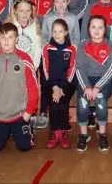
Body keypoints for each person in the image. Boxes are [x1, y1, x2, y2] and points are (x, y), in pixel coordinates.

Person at [0, 23, 38, 152]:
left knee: (24, 147)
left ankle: (28, 126)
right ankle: (3, 132)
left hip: (20, 114)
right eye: (3, 37)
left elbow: (33, 89)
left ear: (16, 40)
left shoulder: (25, 60)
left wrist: (28, 112)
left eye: (10, 37)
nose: (6, 40)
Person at [75, 16, 112, 152]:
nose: (97, 30)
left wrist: (98, 87)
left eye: (100, 27)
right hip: (86, 80)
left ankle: (102, 134)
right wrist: (86, 87)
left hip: (105, 81)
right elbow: (79, 68)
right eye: (93, 27)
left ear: (105, 29)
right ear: (88, 29)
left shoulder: (111, 46)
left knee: (100, 99)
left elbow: (111, 70)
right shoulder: (82, 45)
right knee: (82, 101)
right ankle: (83, 135)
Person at [41, 19, 77, 149]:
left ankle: (63, 132)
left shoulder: (72, 49)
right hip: (51, 84)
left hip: (67, 84)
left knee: (62, 103)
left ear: (66, 32)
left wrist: (61, 87)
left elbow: (72, 70)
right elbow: (45, 69)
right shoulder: (46, 48)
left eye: (60, 31)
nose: (57, 34)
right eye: (54, 31)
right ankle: (54, 132)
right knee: (53, 103)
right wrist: (54, 87)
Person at [5, 0, 42, 70]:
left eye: (28, 11)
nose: (25, 14)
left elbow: (37, 50)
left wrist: (34, 67)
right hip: (11, 67)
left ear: (31, 11)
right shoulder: (9, 26)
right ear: (15, 11)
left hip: (29, 68)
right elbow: (4, 49)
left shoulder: (36, 27)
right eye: (21, 11)